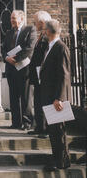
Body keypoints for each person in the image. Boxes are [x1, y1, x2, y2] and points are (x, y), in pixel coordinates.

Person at [40, 19, 71, 171]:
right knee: (53, 130)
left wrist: (59, 98)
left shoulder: (61, 47)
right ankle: (57, 160)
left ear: (48, 31)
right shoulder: (50, 46)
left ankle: (62, 162)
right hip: (49, 96)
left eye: (44, 29)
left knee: (59, 130)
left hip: (56, 98)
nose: (43, 32)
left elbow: (64, 75)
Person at [2, 10, 37, 130]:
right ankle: (16, 122)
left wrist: (15, 59)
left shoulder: (30, 30)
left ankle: (27, 123)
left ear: (21, 19)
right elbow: (4, 49)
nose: (11, 20)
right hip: (11, 69)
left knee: (26, 97)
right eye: (11, 18)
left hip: (24, 69)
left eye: (14, 18)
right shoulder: (8, 32)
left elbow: (29, 48)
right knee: (13, 97)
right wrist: (7, 58)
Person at [28, 11, 51, 138]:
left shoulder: (47, 36)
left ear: (42, 23)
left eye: (35, 22)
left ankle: (45, 129)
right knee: (37, 101)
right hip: (36, 75)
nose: (34, 24)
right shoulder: (41, 35)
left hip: (42, 74)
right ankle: (39, 127)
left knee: (43, 102)